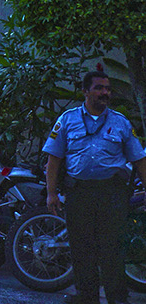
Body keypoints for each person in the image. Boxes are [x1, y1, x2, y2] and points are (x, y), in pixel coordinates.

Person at [43, 69, 146, 304]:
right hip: (80, 193)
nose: (105, 93)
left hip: (112, 194)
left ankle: (117, 298)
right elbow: (54, 159)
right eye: (99, 88)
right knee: (82, 249)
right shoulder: (67, 120)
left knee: (113, 248)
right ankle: (87, 297)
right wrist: (51, 194)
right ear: (85, 91)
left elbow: (139, 159)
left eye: (107, 89)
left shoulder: (120, 122)